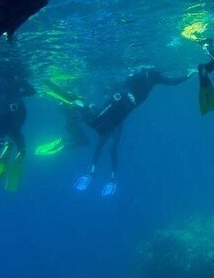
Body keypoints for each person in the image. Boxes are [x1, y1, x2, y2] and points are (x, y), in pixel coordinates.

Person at [44, 66, 193, 197]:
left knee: (102, 139)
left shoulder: (141, 75)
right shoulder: (151, 76)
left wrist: (189, 74)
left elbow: (124, 85)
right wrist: (189, 74)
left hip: (119, 108)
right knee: (108, 143)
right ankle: (105, 176)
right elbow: (172, 82)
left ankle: (94, 172)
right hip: (121, 112)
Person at [0, 72, 36, 192]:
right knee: (16, 132)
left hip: (2, 109)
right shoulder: (18, 77)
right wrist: (17, 94)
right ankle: (21, 150)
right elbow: (33, 91)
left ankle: (6, 144)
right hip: (20, 109)